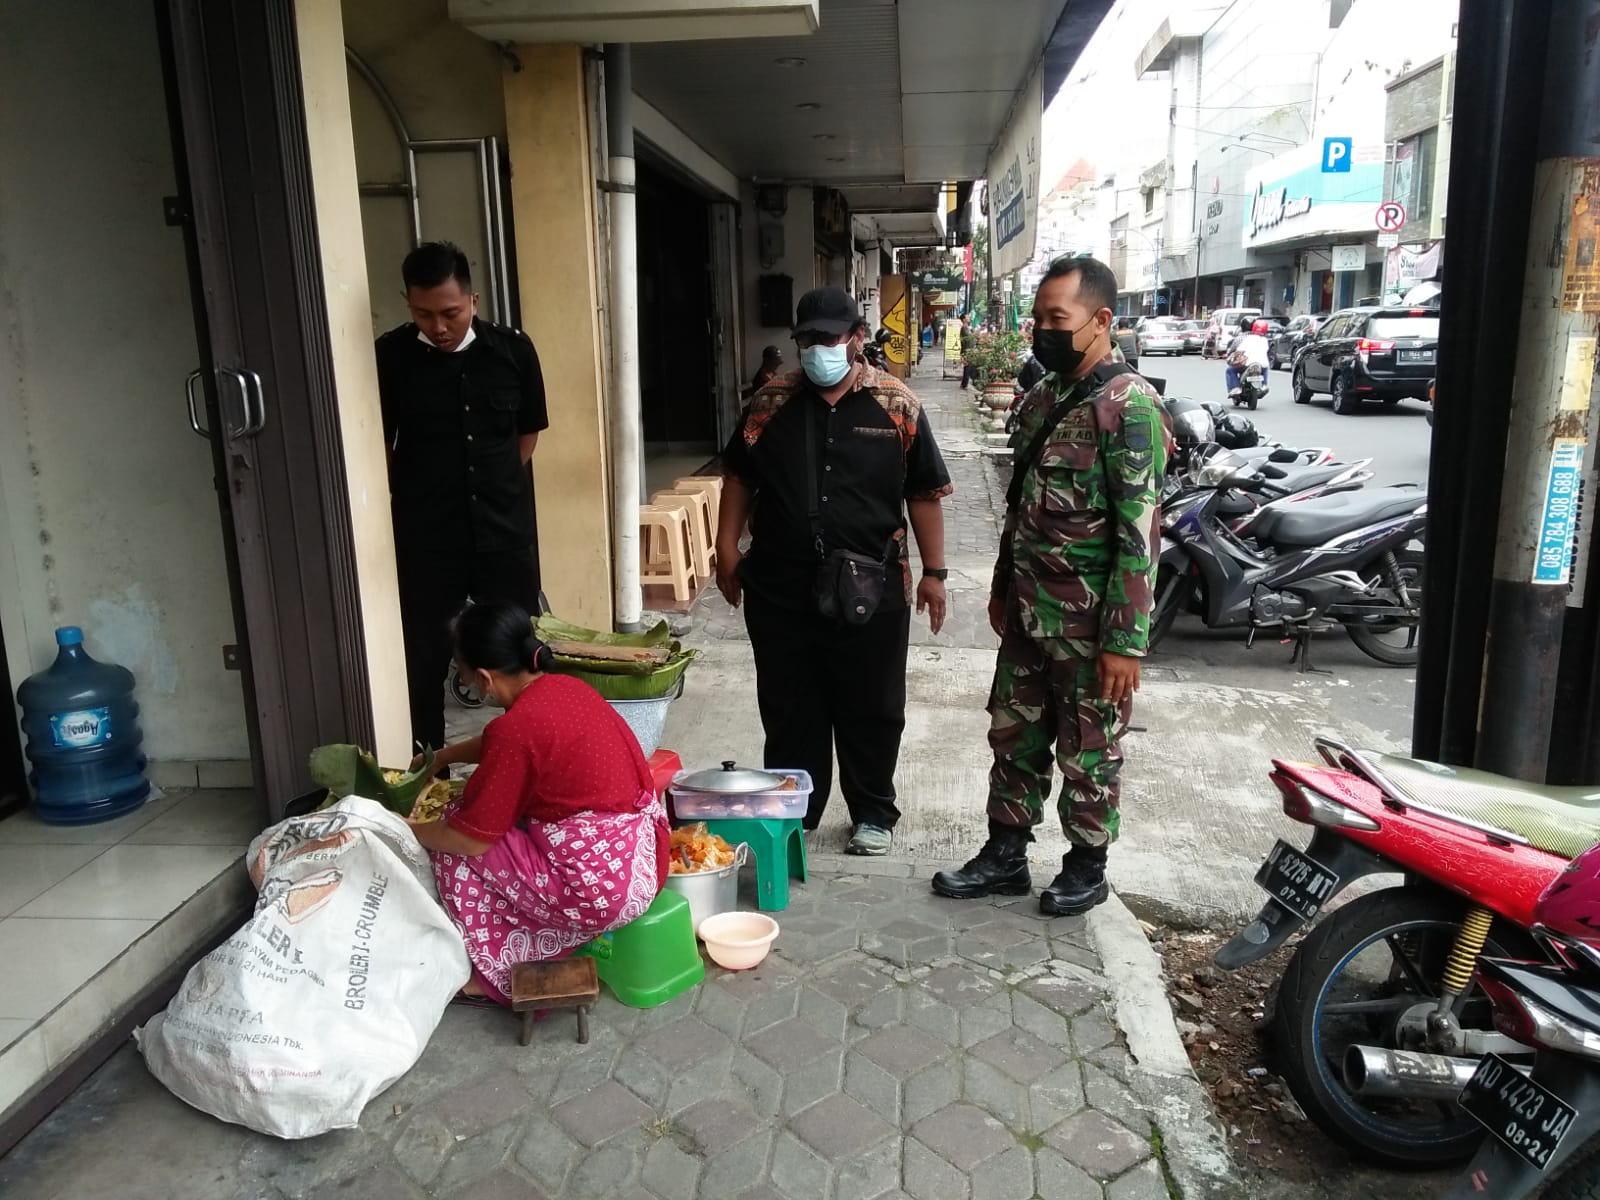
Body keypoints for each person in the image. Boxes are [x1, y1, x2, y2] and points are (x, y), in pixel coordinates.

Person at [932, 257, 1170, 915]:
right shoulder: (1040, 398)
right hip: (1031, 616)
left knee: (1088, 750)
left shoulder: (1131, 409)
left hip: (1092, 630)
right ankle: (1005, 855)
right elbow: (1022, 507)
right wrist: (1003, 587)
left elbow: (1138, 537)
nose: (1041, 330)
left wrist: (1126, 642)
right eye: (1038, 319)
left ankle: (1086, 866)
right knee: (1014, 734)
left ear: (1100, 321)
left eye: (1055, 319)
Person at [716, 286, 952, 857]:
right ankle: (797, 811)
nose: (819, 349)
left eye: (830, 338)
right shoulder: (767, 406)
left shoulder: (897, 406)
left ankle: (873, 811)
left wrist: (934, 572)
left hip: (871, 587)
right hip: (779, 585)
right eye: (809, 340)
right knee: (790, 704)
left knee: (871, 705)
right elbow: (739, 479)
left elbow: (924, 492)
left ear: (857, 339)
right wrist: (726, 551)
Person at [409, 602, 669, 1005]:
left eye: (460, 671)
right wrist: (443, 757)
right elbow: (508, 742)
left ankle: (493, 972)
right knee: (490, 820)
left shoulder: (517, 730)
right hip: (642, 865)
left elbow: (471, 840)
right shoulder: (567, 688)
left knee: (454, 838)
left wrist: (407, 829)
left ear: (482, 678)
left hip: (598, 893)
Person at [375, 242, 548, 757]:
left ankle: (525, 764)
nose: (439, 326)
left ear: (473, 300)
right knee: (423, 658)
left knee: (517, 656)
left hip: (504, 533)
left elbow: (527, 436)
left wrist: (492, 485)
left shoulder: (513, 351)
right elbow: (381, 444)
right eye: (423, 314)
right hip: (429, 538)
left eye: (450, 313)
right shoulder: (391, 358)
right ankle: (428, 775)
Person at [1227, 318, 1272, 393]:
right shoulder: (1265, 340)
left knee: (1230, 370)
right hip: (1261, 365)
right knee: (1265, 368)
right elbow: (1267, 352)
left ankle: (1235, 388)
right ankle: (1264, 385)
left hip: (1247, 364)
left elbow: (1238, 350)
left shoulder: (1245, 338)